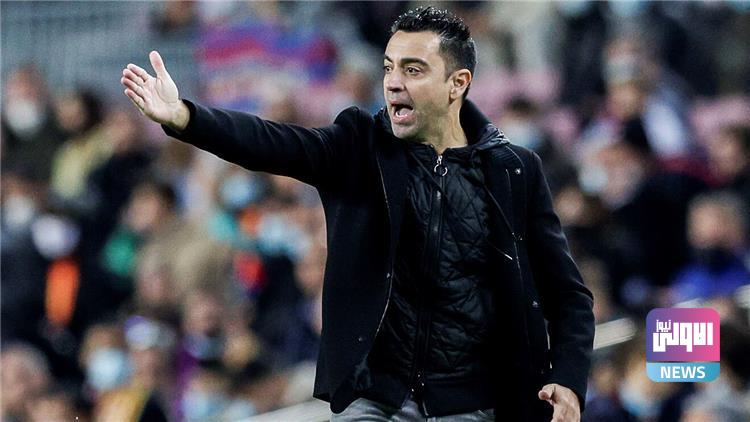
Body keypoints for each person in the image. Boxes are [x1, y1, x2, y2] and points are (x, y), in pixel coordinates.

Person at [121, 6, 594, 421]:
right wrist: (185, 117)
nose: (393, 82)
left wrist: (570, 380)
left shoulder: (514, 170)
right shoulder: (358, 147)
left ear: (458, 83)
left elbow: (568, 295)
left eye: (413, 69)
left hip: (477, 403)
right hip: (376, 399)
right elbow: (274, 143)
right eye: (389, 67)